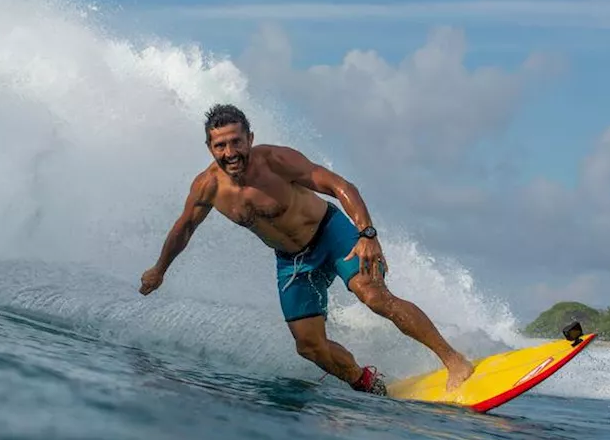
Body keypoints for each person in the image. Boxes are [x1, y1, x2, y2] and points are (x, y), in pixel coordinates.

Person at [139, 103, 474, 396]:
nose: (230, 153)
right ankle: (368, 384)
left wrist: (367, 233)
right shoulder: (207, 187)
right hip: (292, 262)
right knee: (309, 346)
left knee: (374, 296)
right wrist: (159, 270)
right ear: (210, 147)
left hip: (331, 233)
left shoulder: (276, 161)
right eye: (220, 145)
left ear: (250, 139)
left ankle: (455, 361)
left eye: (236, 142)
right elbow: (184, 228)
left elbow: (340, 186)